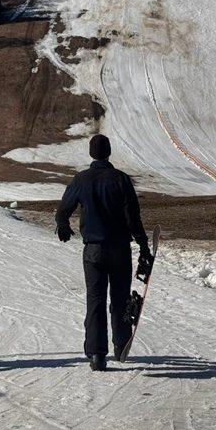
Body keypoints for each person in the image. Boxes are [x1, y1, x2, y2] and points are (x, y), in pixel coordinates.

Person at [56, 134, 152, 371]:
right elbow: (133, 217)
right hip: (119, 249)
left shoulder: (81, 179)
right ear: (109, 152)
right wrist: (143, 245)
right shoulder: (121, 179)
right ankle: (121, 345)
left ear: (91, 153)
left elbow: (63, 209)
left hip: (93, 251)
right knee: (120, 298)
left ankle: (97, 355)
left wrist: (63, 226)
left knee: (95, 300)